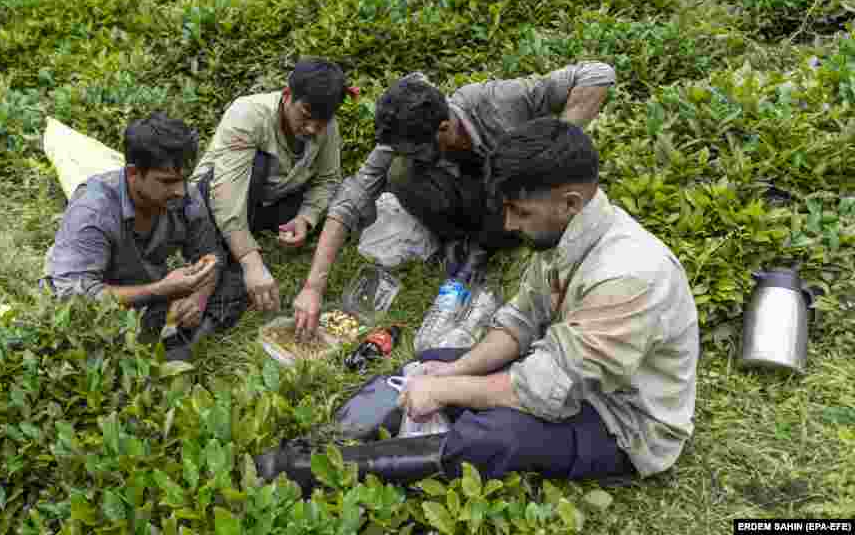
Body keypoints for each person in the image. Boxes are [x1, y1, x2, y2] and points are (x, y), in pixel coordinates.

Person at [256, 118, 699, 490]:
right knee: (430, 361)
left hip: (621, 421)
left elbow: (548, 389)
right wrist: (453, 372)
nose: (508, 224)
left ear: (569, 203)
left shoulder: (629, 275)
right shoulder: (571, 235)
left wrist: (449, 390)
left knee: (487, 438)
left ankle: (308, 473)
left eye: (519, 212)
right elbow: (521, 322)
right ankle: (333, 439)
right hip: (567, 371)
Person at [293, 62, 615, 342]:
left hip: (509, 196)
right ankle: (459, 240)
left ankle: (486, 246)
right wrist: (313, 286)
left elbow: (597, 74)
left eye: (416, 150)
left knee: (501, 174)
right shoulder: (405, 137)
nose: (407, 154)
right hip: (465, 199)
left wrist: (551, 152)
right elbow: (350, 200)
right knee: (399, 172)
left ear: (444, 127)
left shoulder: (496, 102)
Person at [42, 111, 245, 361]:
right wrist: (161, 289)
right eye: (167, 181)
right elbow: (74, 294)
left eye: (184, 179)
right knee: (87, 336)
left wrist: (198, 297)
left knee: (237, 281)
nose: (180, 190)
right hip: (101, 303)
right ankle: (170, 349)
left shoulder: (186, 196)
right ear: (133, 173)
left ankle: (178, 343)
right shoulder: (94, 211)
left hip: (150, 295)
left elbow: (211, 255)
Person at [190, 57, 355, 314]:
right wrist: (250, 261)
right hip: (215, 198)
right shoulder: (249, 114)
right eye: (306, 116)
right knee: (257, 164)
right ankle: (228, 254)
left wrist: (305, 218)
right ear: (288, 95)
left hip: (269, 200)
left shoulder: (327, 127)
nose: (312, 129)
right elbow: (225, 196)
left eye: (321, 123)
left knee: (342, 196)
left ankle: (239, 245)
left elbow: (328, 179)